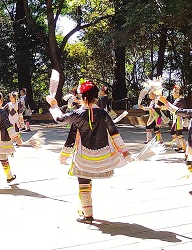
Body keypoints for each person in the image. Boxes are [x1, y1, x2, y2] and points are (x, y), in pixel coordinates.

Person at [47, 80, 131, 223]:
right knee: (87, 181)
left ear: (83, 97)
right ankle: (86, 211)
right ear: (95, 96)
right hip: (103, 156)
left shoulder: (77, 114)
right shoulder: (103, 114)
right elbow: (114, 133)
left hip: (83, 157)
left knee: (83, 182)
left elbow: (60, 119)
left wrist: (54, 105)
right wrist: (125, 153)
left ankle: (88, 214)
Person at [169, 85, 188, 153]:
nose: (172, 93)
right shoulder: (179, 99)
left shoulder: (180, 100)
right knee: (173, 132)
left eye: (173, 92)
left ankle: (184, 147)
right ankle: (180, 146)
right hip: (175, 118)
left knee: (156, 128)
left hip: (158, 118)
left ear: (177, 92)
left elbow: (171, 108)